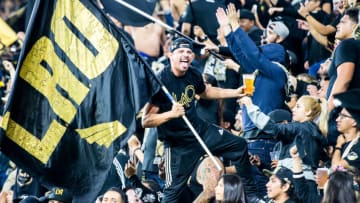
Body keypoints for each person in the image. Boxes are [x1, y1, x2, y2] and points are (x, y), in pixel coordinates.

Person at [141, 37, 259, 202]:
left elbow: (205, 92)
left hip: (200, 132)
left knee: (239, 145)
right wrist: (170, 114)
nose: (186, 55)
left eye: (189, 52)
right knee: (172, 193)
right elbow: (146, 120)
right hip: (177, 145)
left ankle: (252, 196)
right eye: (181, 51)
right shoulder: (160, 82)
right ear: (170, 55)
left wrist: (235, 92)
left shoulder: (194, 73)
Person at [331, 89, 360, 170]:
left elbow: (336, 168)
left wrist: (338, 146)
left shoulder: (358, 146)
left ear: (354, 122)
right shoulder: (341, 139)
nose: (337, 119)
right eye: (339, 115)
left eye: (343, 116)